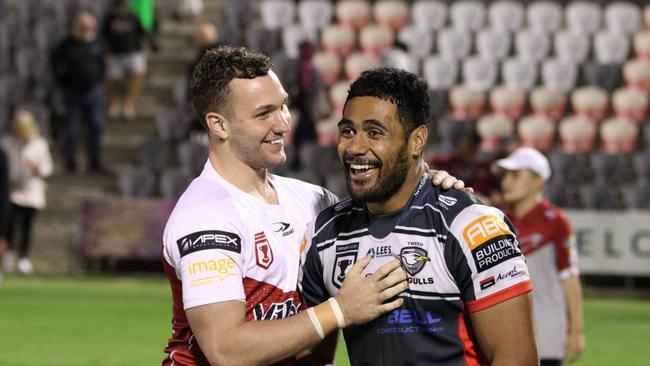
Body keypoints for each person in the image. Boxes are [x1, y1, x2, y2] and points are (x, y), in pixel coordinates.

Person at [161, 46, 466, 366]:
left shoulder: (314, 202)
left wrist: (427, 184)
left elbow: (390, 202)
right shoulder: (205, 217)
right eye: (263, 114)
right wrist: (340, 310)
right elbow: (226, 350)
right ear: (218, 125)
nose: (282, 124)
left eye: (283, 107)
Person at [300, 68, 538, 366]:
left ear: (417, 140)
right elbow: (312, 358)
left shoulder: (474, 226)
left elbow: (518, 359)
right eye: (348, 131)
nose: (355, 147)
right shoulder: (324, 233)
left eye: (375, 132)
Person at [494, 147, 585, 366]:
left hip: (546, 333)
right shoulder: (497, 218)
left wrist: (576, 330)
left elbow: (570, 277)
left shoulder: (556, 222)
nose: (507, 182)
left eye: (516, 176)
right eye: (505, 175)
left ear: (538, 182)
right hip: (503, 333)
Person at [51, 11, 108, 174]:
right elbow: (55, 65)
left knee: (96, 127)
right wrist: (63, 83)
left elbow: (104, 63)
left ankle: (95, 162)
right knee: (72, 130)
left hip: (94, 92)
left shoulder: (97, 43)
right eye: (84, 27)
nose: (88, 30)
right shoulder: (66, 44)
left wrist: (100, 81)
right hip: (73, 94)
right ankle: (70, 163)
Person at [0, 111, 53, 275]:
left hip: (32, 192)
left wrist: (36, 168)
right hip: (12, 191)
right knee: (8, 226)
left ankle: (24, 258)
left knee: (26, 227)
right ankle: (7, 255)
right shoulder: (6, 143)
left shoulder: (39, 144)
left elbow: (47, 168)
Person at [103, 0, 157, 120]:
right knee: (110, 76)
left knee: (139, 69)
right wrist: (105, 52)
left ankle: (129, 102)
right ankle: (113, 102)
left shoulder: (133, 17)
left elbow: (143, 33)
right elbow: (103, 36)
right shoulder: (110, 18)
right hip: (115, 54)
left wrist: (153, 45)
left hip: (133, 52)